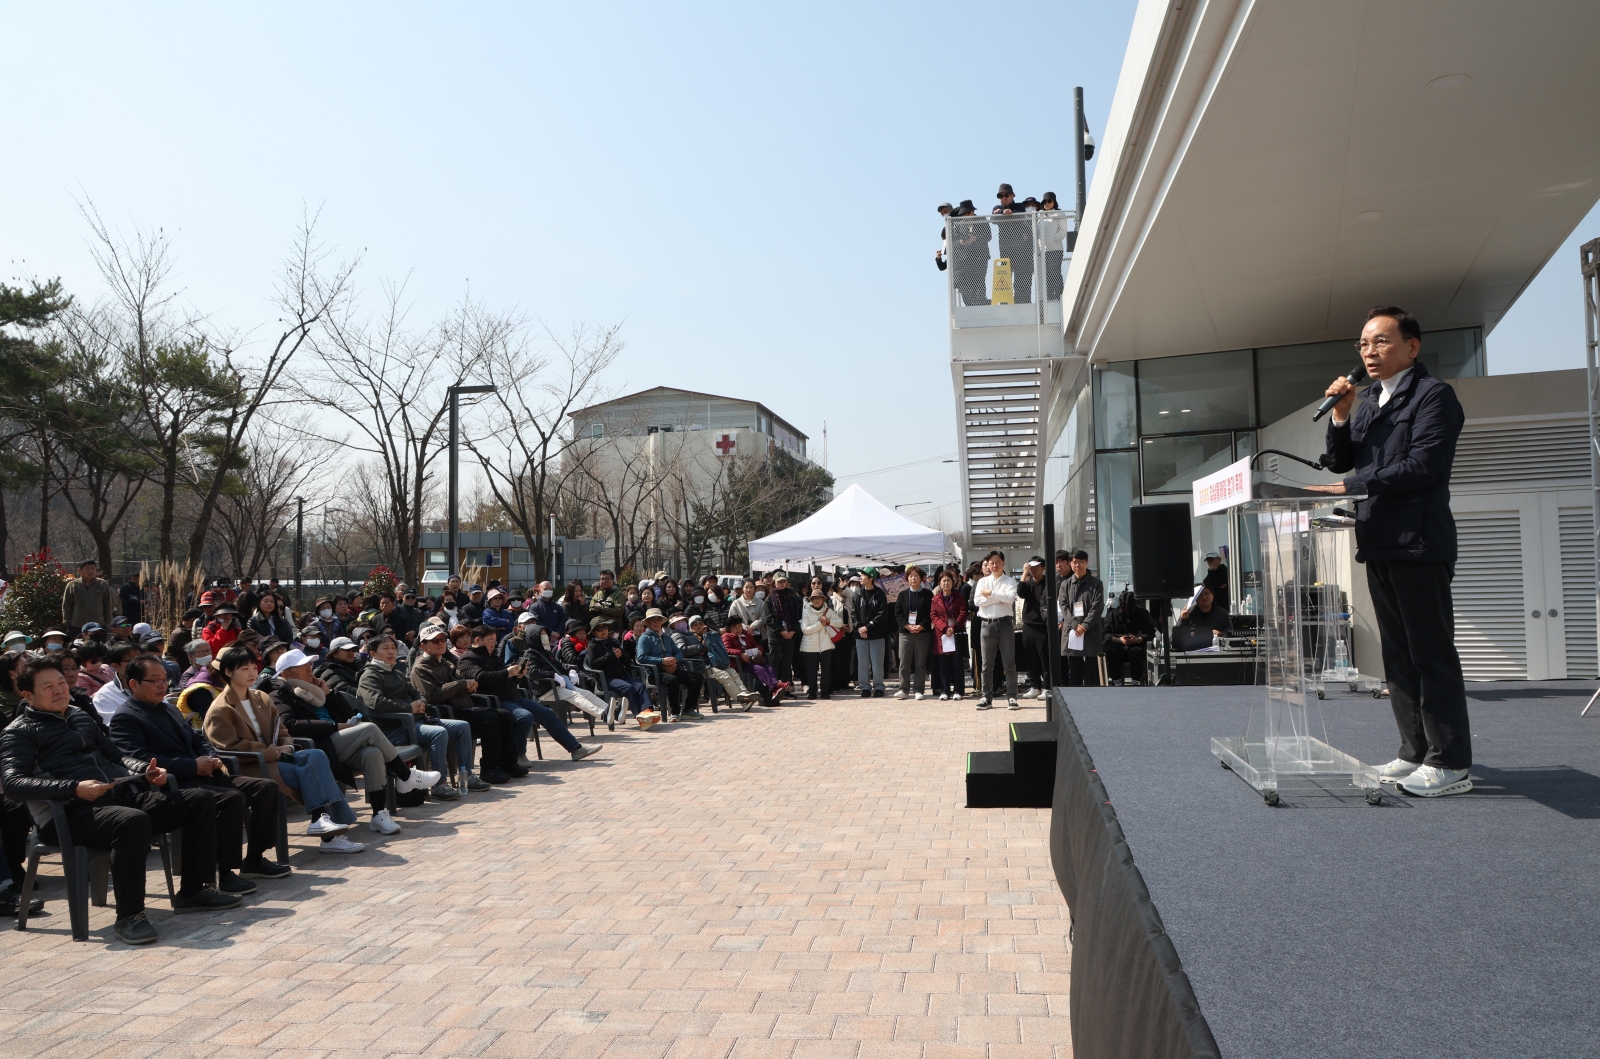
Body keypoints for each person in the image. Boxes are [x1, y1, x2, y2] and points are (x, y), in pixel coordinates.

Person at [1317, 305, 1471, 797]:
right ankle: (1414, 752)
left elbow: (1421, 466)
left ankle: (1450, 764)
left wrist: (1348, 487)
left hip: (1419, 544)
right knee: (1398, 658)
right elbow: (1340, 459)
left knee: (1431, 655)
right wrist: (1340, 416)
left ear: (1412, 346)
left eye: (1381, 341)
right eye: (1364, 344)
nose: (1370, 351)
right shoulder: (1367, 403)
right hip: (1379, 543)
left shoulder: (1433, 397)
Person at [2, 654, 242, 944]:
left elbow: (116, 755)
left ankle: (194, 891)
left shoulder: (79, 717)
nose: (59, 690)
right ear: (27, 695)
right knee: (133, 821)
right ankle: (130, 915)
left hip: (112, 799)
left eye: (61, 683)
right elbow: (13, 784)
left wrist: (146, 771)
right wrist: (73, 788)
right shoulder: (19, 732)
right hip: (67, 813)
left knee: (198, 799)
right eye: (48, 687)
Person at [111, 654, 292, 885]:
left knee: (265, 787)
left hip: (202, 774)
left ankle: (255, 858)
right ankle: (225, 873)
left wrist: (211, 758)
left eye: (165, 679)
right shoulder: (125, 718)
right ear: (133, 684)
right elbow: (140, 759)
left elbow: (198, 739)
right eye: (154, 680)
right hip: (172, 785)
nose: (162, 685)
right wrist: (192, 766)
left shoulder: (168, 709)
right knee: (232, 798)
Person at [203, 644, 367, 854]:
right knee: (308, 770)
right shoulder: (220, 709)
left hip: (277, 757)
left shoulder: (260, 697)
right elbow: (230, 747)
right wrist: (271, 751)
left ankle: (321, 821)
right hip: (250, 766)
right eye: (244, 669)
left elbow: (281, 729)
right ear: (228, 672)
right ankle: (328, 833)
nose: (252, 673)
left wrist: (287, 745)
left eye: (254, 667)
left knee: (315, 755)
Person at [269, 649, 440, 835]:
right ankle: (405, 775)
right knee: (370, 728)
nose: (309, 669)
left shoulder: (314, 687)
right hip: (318, 746)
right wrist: (335, 727)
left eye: (309, 664)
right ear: (286, 673)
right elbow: (291, 725)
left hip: (338, 740)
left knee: (372, 753)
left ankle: (379, 814)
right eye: (303, 666)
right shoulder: (279, 693)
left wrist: (330, 693)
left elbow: (348, 715)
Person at [357, 634, 479, 798]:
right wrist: (408, 708)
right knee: (439, 733)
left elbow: (416, 693)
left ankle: (467, 776)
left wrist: (421, 703)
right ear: (372, 654)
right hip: (393, 729)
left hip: (414, 721)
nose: (391, 652)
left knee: (462, 726)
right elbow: (376, 702)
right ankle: (438, 785)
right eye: (385, 648)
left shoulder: (395, 671)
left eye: (393, 648)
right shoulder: (370, 675)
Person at [461, 625, 598, 763]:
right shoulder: (469, 658)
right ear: (477, 640)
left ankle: (575, 749)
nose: (493, 644)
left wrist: (518, 675)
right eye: (490, 640)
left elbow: (504, 678)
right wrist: (508, 672)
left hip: (513, 698)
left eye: (495, 641)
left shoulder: (493, 657)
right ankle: (518, 755)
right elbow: (480, 677)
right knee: (525, 717)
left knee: (548, 714)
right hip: (495, 702)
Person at [410, 625, 515, 784]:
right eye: (435, 641)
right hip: (442, 713)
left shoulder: (445, 663)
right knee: (489, 719)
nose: (440, 643)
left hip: (459, 707)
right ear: (423, 645)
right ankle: (489, 769)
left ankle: (508, 763)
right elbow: (431, 696)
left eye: (443, 640)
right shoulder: (420, 667)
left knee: (503, 715)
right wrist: (460, 685)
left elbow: (461, 681)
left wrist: (470, 687)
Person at [584, 617, 655, 723]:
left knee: (639, 685)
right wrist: (610, 655)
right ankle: (639, 717)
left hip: (622, 676)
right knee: (629, 688)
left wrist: (621, 655)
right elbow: (593, 664)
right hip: (607, 679)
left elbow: (627, 662)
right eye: (599, 629)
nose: (604, 631)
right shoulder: (592, 645)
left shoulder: (612, 642)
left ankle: (647, 711)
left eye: (605, 628)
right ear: (594, 632)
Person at [973, 551, 1019, 710]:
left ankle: (1012, 697)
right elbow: (978, 601)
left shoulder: (1011, 581)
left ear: (1003, 563)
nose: (994, 565)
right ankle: (986, 697)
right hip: (986, 625)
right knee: (987, 665)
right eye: (991, 562)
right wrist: (999, 597)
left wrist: (991, 594)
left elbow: (1010, 599)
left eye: (998, 562)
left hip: (1005, 625)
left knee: (1009, 663)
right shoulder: (982, 582)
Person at [1060, 550, 1105, 687]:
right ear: (1070, 563)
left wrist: (1085, 625)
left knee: (1092, 671)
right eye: (1074, 562)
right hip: (1073, 632)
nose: (1077, 565)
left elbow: (1097, 608)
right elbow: (1063, 606)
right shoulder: (1065, 585)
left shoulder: (1096, 584)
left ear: (1087, 562)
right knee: (1075, 671)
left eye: (1080, 562)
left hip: (1090, 631)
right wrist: (1074, 624)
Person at [894, 566, 934, 700]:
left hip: (922, 634)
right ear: (907, 579)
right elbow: (898, 613)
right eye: (911, 576)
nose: (913, 578)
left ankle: (918, 690)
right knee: (904, 662)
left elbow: (931, 613)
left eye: (916, 576)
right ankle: (903, 689)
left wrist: (921, 626)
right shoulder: (902, 594)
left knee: (920, 663)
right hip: (905, 633)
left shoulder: (928, 594)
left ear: (921, 578)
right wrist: (907, 625)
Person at [852, 568, 892, 697]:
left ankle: (879, 687)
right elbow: (853, 614)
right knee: (862, 663)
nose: (861, 577)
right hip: (860, 635)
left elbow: (882, 615)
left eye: (863, 575)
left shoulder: (880, 594)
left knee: (877, 662)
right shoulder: (857, 594)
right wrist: (860, 627)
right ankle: (864, 687)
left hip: (877, 634)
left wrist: (868, 627)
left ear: (871, 578)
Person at [1104, 591, 1157, 685]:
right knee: (1112, 653)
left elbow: (1150, 632)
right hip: (1117, 646)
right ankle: (1116, 682)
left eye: (1129, 610)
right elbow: (1105, 633)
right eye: (1124, 610)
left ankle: (1135, 682)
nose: (1127, 612)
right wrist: (1118, 640)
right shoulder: (1112, 615)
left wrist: (1138, 639)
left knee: (1136, 653)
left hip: (1136, 646)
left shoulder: (1143, 614)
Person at [930, 570, 968, 700]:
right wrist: (945, 627)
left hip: (956, 634)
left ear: (953, 582)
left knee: (957, 664)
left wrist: (953, 627)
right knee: (943, 665)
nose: (946, 583)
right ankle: (945, 690)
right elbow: (933, 615)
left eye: (949, 580)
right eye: (944, 580)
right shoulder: (935, 599)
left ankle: (958, 690)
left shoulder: (959, 597)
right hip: (942, 636)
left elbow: (963, 612)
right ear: (939, 583)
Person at [992, 184, 1033, 304]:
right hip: (1006, 252)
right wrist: (1003, 212)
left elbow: (1020, 213)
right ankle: (1006, 305)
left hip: (1022, 252)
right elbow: (993, 219)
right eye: (1000, 195)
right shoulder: (997, 207)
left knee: (1022, 281)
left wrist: (1003, 212)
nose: (1003, 197)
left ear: (1013, 195)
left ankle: (1023, 305)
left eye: (1006, 195)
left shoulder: (1020, 206)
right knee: (1004, 280)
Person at [798, 588, 841, 701]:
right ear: (811, 600)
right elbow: (805, 629)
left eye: (819, 598)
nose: (817, 600)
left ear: (823, 599)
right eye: (814, 598)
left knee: (826, 670)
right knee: (811, 671)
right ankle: (812, 692)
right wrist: (820, 624)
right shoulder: (806, 611)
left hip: (825, 645)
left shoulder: (828, 611)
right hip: (810, 646)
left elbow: (840, 623)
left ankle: (825, 691)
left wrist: (828, 621)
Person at [1016, 558, 1050, 698]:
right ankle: (1035, 686)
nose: (1033, 569)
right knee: (1031, 658)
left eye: (1036, 566)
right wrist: (1024, 574)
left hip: (1043, 625)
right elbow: (1020, 592)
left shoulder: (1049, 583)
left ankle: (1047, 687)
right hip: (1028, 625)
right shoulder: (1028, 583)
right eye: (1031, 567)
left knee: (1045, 658)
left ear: (1043, 567)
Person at [62, 559, 116, 636]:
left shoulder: (102, 584)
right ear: (79, 570)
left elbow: (107, 604)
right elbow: (66, 606)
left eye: (93, 568)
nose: (91, 571)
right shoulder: (73, 585)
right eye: (87, 569)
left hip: (98, 627)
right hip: (77, 627)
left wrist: (106, 623)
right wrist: (68, 623)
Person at [952, 200, 991, 307]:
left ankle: (981, 301)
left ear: (973, 211)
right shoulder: (959, 224)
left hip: (980, 256)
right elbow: (953, 242)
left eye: (968, 213)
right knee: (967, 283)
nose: (967, 215)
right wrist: (962, 242)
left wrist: (976, 239)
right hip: (966, 259)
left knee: (980, 280)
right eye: (964, 214)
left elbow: (988, 236)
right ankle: (973, 303)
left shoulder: (981, 220)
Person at [767, 572, 803, 685]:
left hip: (790, 636)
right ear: (775, 583)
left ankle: (786, 688)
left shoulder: (792, 598)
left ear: (786, 583)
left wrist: (793, 631)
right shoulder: (769, 599)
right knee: (774, 663)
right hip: (776, 637)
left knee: (787, 664)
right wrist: (781, 631)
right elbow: (768, 619)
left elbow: (797, 616)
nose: (781, 584)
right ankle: (773, 687)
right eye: (779, 582)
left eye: (783, 581)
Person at [1037, 192, 1070, 301]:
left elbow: (1063, 230)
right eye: (1044, 201)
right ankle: (1050, 297)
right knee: (1046, 275)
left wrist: (1054, 239)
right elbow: (1037, 233)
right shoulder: (1040, 216)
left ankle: (1059, 295)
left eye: (1049, 201)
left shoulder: (1059, 213)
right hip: (1043, 251)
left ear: (1054, 202)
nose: (1047, 203)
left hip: (1055, 249)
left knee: (1054, 272)